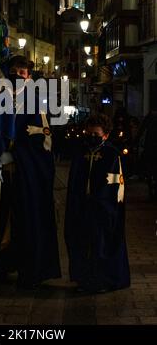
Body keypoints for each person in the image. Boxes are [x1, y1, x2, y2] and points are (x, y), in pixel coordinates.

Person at [0, 56, 61, 288]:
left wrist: (17, 154)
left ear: (29, 76)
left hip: (24, 172)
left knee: (26, 218)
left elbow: (41, 137)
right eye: (15, 71)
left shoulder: (36, 103)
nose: (19, 75)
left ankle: (30, 270)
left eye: (24, 72)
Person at [64, 113, 130, 293]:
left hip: (102, 208)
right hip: (82, 207)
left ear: (105, 135)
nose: (91, 137)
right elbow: (74, 179)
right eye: (89, 134)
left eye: (96, 135)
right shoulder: (81, 152)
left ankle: (101, 281)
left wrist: (102, 202)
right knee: (81, 243)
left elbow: (115, 184)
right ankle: (83, 279)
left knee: (100, 245)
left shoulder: (111, 155)